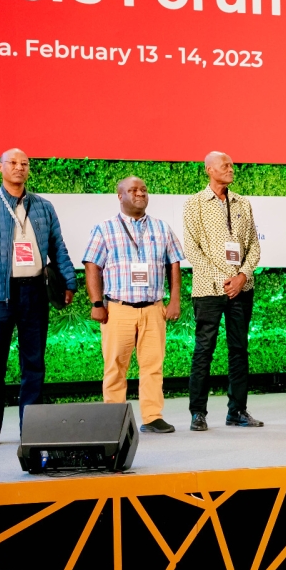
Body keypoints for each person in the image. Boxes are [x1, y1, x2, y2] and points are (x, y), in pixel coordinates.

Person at [0, 148, 77, 446]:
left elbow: (58, 248)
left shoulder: (43, 207)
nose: (19, 167)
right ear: (0, 167)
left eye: (24, 163)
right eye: (13, 163)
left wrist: (69, 282)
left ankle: (32, 427)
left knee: (34, 363)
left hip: (34, 292)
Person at [82, 177, 184, 434]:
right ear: (120, 196)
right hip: (118, 308)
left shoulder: (162, 228)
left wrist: (174, 300)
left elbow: (173, 264)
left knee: (153, 365)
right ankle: (114, 419)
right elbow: (92, 265)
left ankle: (152, 417)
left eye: (143, 190)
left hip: (153, 308)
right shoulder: (104, 229)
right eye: (133, 190)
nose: (140, 194)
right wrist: (97, 303)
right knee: (115, 365)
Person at [183, 152, 264, 430]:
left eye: (231, 164)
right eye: (225, 165)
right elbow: (192, 249)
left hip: (242, 288)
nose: (231, 168)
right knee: (204, 349)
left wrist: (241, 276)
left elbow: (254, 245)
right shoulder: (194, 204)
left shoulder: (243, 202)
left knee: (239, 350)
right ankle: (198, 413)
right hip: (208, 289)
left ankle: (237, 411)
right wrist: (223, 279)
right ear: (209, 170)